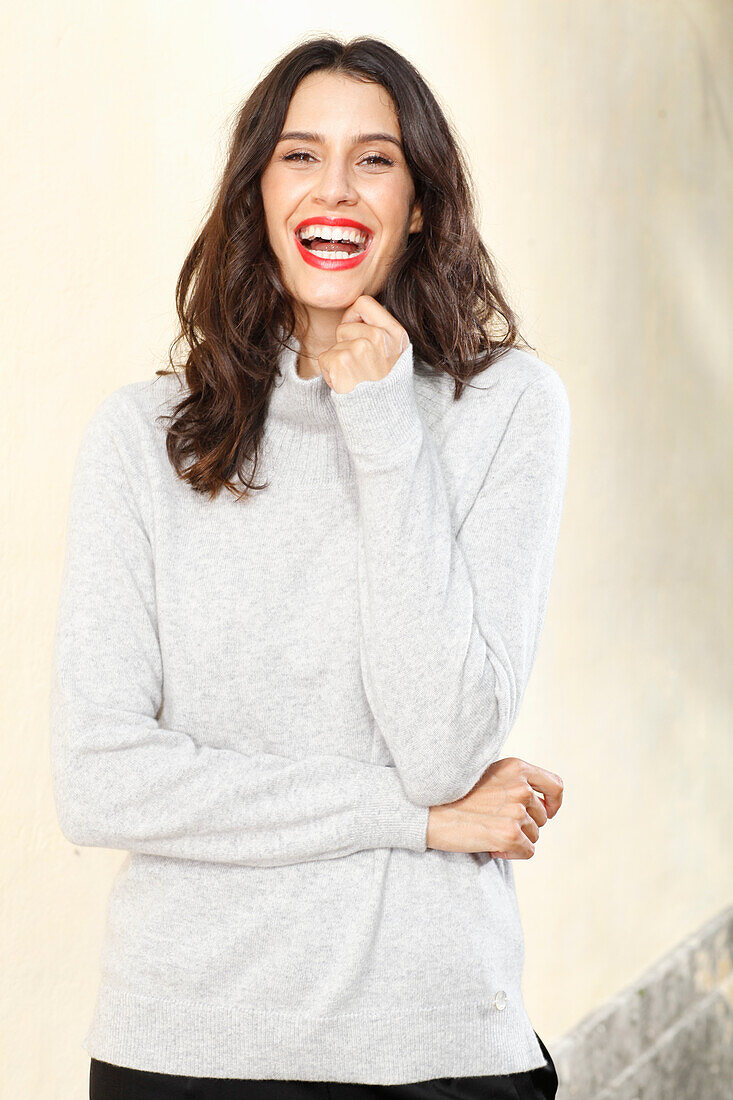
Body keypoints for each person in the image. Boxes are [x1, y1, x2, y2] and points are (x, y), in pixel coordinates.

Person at [50, 33, 569, 1100]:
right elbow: (100, 780)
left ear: (418, 202)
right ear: (256, 194)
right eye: (299, 155)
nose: (335, 185)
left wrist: (378, 417)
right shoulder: (142, 438)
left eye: (374, 158)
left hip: (429, 1039)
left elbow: (441, 743)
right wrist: (415, 821)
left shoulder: (507, 409)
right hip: (185, 1038)